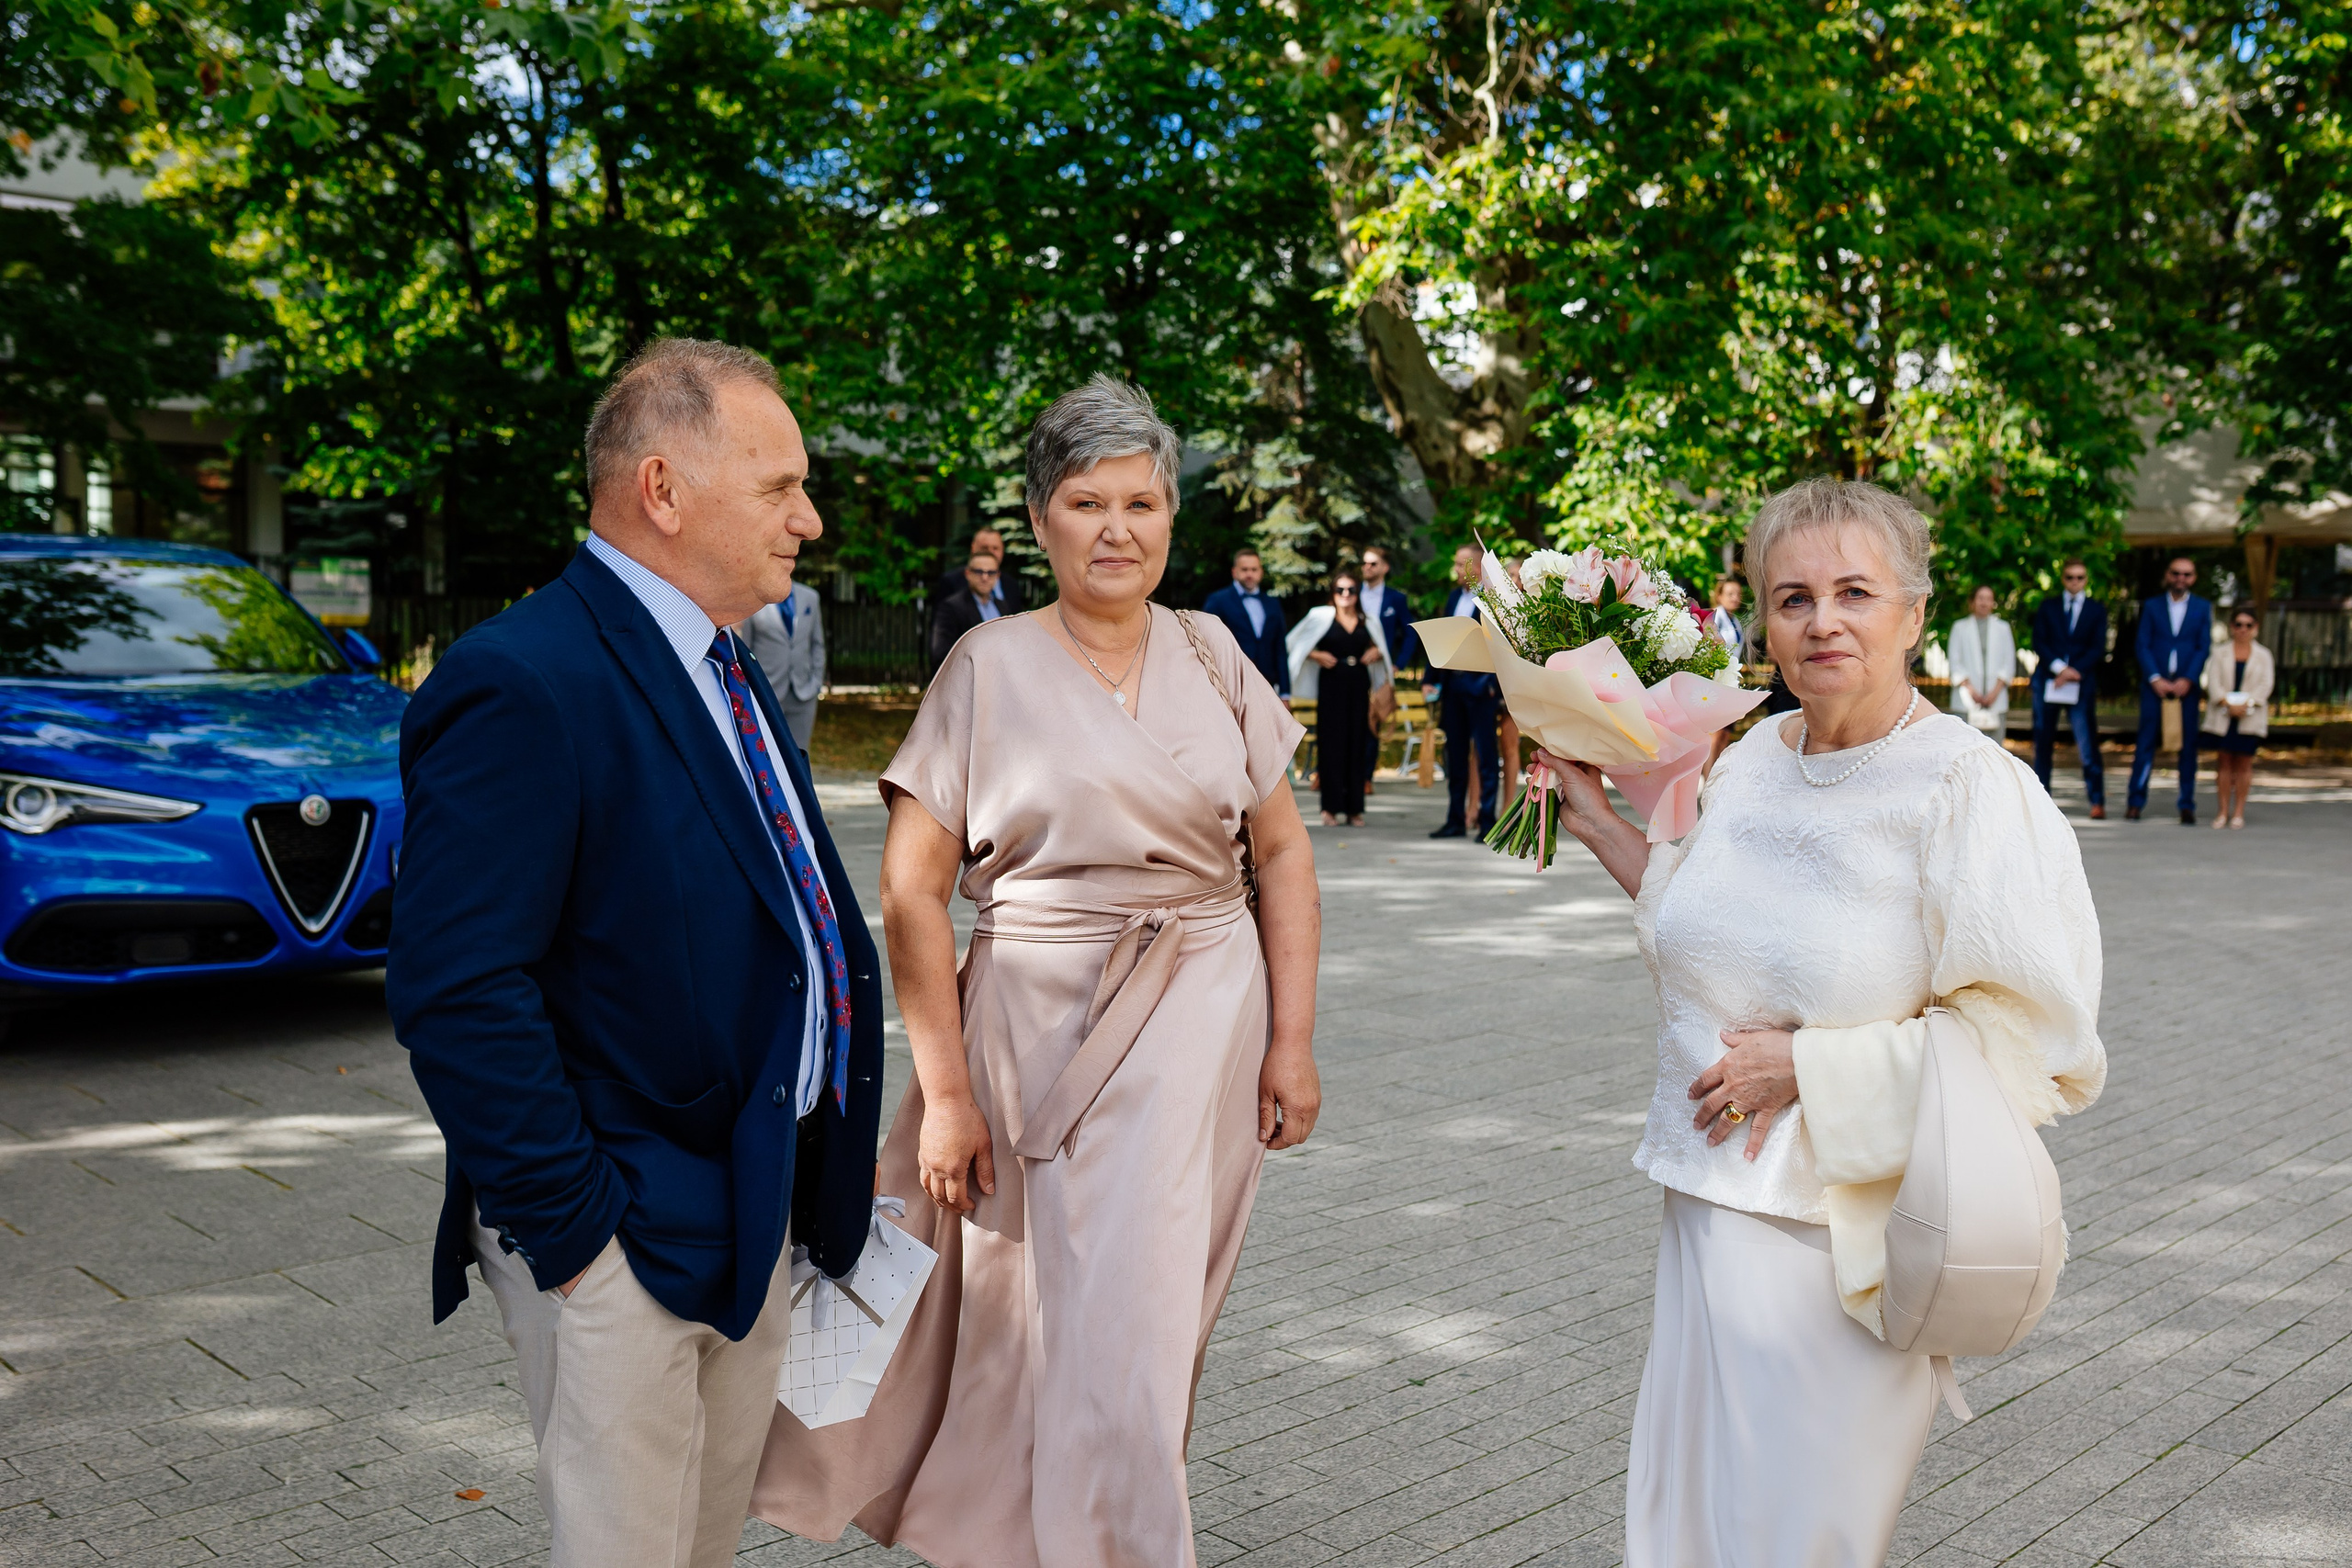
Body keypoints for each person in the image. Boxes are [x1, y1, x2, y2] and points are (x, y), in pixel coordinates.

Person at [752, 376, 1323, 1566]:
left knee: (1145, 1331)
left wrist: (1292, 1038)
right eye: (1086, 501)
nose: (1117, 528)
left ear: (1173, 514)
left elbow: (1280, 854)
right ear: (1040, 515)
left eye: (1142, 501)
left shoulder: (1216, 653)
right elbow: (909, 889)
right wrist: (946, 1092)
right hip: (1027, 1044)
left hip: (1203, 1033)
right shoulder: (988, 666)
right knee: (1030, 1328)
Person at [1539, 478, 2105, 1568]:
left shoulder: (1968, 790)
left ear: (1915, 613)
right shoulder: (1750, 763)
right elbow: (1696, 931)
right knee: (1690, 1530)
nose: (1822, 620)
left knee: (1796, 1543)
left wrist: (1808, 1065)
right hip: (1708, 1210)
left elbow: (2036, 1045)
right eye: (1791, 597)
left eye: (1855, 591)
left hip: (1845, 1242)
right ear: (1761, 619)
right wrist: (1600, 825)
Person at [388, 339, 885, 1568]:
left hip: (749, 1211)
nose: (810, 520)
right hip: (623, 1240)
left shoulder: (727, 665)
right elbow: (457, 988)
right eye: (779, 487)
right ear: (662, 489)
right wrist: (580, 1241)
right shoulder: (522, 679)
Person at [1287, 571, 1390, 825]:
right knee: (1331, 744)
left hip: (1358, 684)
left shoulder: (1369, 621)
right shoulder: (1321, 617)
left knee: (1357, 744)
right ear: (1333, 593)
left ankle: (1355, 809)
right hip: (1332, 684)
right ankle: (1329, 809)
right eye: (1340, 590)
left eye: (1351, 590)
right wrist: (1316, 655)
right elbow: (1293, 642)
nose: (1345, 595)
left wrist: (1376, 650)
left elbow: (1384, 649)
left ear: (1357, 594)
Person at [2130, 555, 2213, 823]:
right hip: (2155, 686)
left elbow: (2203, 646)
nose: (2181, 579)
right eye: (2176, 573)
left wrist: (2188, 679)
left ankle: (2186, 804)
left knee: (2188, 746)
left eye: (2187, 574)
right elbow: (2142, 644)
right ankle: (2135, 802)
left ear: (2194, 577)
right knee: (2145, 744)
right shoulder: (2153, 606)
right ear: (2168, 575)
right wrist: (2154, 677)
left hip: (2186, 688)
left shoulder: (2202, 607)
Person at [1426, 542, 1501, 840]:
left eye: (1461, 564)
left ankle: (1486, 821)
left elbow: (1502, 646)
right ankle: (1455, 818)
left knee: (1485, 756)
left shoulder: (1493, 600)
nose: (1455, 570)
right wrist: (1430, 679)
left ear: (1477, 567)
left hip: (1482, 689)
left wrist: (1494, 686)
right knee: (1454, 755)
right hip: (1453, 688)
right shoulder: (1454, 597)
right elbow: (1444, 639)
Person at [2030, 558, 2109, 819]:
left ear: (2086, 579)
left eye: (2080, 577)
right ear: (2063, 579)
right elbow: (2039, 641)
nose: (2075, 582)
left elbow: (2098, 647)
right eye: (2070, 577)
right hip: (2049, 681)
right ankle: (2042, 801)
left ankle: (2097, 801)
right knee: (2043, 743)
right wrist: (2059, 669)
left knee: (2087, 745)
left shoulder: (2096, 609)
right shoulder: (2048, 607)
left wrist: (2075, 671)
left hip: (2080, 684)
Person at [734, 556, 826, 752]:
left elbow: (818, 645)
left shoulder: (810, 597)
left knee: (802, 754)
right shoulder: (755, 600)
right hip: (767, 691)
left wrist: (815, 683)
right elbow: (745, 648)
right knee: (768, 752)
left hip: (804, 693)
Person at [2203, 605, 2273, 829]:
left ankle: (2239, 812)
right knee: (2224, 762)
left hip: (2249, 715)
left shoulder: (2264, 655)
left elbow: (2266, 685)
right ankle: (2222, 811)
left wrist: (2247, 703)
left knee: (2244, 763)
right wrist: (2226, 702)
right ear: (2232, 627)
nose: (2243, 629)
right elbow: (2212, 682)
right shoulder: (2219, 652)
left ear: (2256, 628)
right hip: (2224, 714)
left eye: (2248, 625)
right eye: (2238, 624)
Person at [1358, 544, 1416, 792]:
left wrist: (1396, 663)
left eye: (1373, 563)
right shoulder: (1351, 593)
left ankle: (1366, 777)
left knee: (1373, 721)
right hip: (1352, 667)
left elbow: (1411, 633)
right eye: (1365, 563)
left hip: (1380, 671)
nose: (1367, 568)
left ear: (1385, 567)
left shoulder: (1396, 598)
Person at [1202, 547, 1291, 697]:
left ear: (1261, 572)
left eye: (1254, 569)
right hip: (1230, 683)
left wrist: (1285, 692)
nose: (1250, 574)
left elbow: (1280, 649)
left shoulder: (1272, 604)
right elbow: (1207, 643)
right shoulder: (1218, 601)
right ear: (1234, 572)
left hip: (1267, 684)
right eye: (1244, 569)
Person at [1946, 583, 2018, 735]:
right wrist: (1971, 691)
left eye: (1988, 599)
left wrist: (1994, 693)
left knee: (1994, 748)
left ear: (1993, 602)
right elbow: (1955, 661)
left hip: (1996, 698)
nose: (1984, 602)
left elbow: (2008, 661)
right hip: (1966, 698)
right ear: (1972, 601)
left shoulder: (2003, 628)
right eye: (1980, 598)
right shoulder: (1959, 627)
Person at [927, 551, 1006, 668]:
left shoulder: (1002, 606)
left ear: (997, 576)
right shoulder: (951, 607)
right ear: (968, 574)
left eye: (991, 572)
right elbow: (941, 654)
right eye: (979, 572)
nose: (985, 577)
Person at [932, 525, 1025, 615]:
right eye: (984, 548)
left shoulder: (1011, 584)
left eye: (995, 548)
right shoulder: (951, 582)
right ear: (973, 548)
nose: (990, 553)